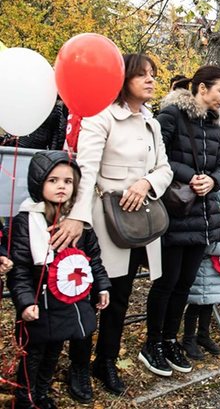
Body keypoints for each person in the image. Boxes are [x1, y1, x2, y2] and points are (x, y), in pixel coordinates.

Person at [51, 54, 174, 396]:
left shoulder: (152, 122)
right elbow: (85, 171)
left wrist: (146, 183)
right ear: (123, 79)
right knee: (92, 297)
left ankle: (104, 361)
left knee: (120, 298)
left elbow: (164, 169)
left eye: (153, 74)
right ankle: (78, 366)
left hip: (139, 222)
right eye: (142, 75)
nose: (151, 80)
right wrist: (77, 216)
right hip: (103, 222)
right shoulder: (100, 116)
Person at [141, 65, 220, 377]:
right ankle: (152, 343)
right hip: (174, 212)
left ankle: (169, 339)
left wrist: (213, 182)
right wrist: (190, 175)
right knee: (166, 282)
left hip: (201, 214)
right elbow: (156, 157)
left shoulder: (217, 125)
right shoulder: (171, 115)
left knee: (184, 284)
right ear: (202, 88)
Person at [7, 152, 111, 408]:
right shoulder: (25, 221)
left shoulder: (79, 224)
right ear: (38, 182)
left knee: (55, 349)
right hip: (38, 303)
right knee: (33, 353)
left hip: (68, 301)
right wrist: (24, 302)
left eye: (68, 181)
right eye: (53, 180)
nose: (61, 186)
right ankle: (26, 399)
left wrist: (102, 285)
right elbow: (18, 268)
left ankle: (41, 393)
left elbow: (92, 259)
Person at [182, 178, 220, 360]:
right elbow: (209, 246)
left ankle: (203, 334)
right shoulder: (207, 216)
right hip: (202, 268)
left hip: (212, 270)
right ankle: (188, 339)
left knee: (208, 303)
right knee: (195, 305)